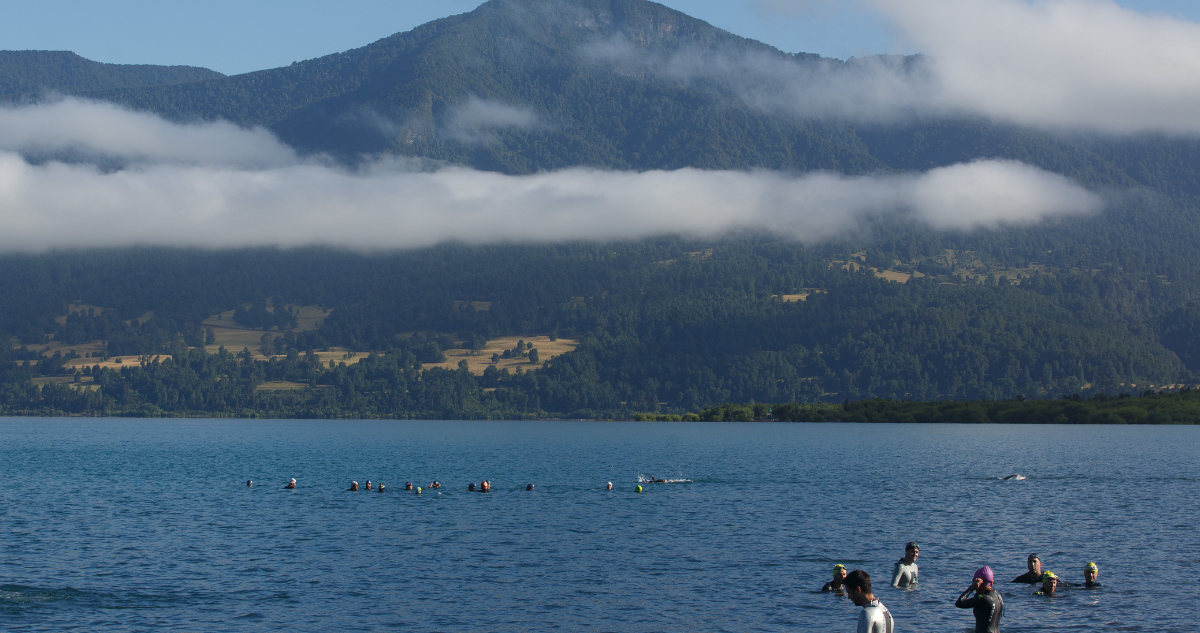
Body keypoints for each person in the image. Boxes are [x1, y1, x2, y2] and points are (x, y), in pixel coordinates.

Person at [955, 566, 1003, 633]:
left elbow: (959, 603)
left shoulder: (981, 598)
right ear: (992, 583)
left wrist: (971, 588)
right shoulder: (998, 595)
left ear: (978, 583)